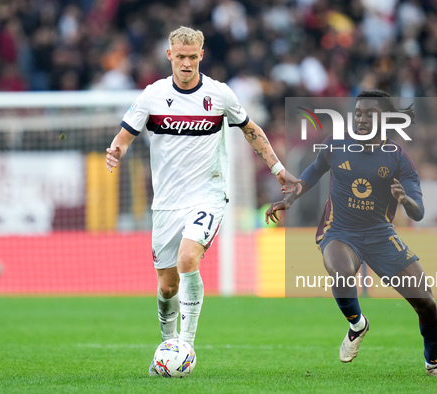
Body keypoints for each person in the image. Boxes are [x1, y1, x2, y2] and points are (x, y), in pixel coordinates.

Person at [105, 26, 296, 374]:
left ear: (201, 56)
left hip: (208, 195)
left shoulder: (220, 95)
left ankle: (186, 345)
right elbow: (124, 135)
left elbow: (252, 129)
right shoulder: (153, 95)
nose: (187, 63)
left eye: (193, 57)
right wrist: (116, 151)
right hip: (166, 203)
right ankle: (168, 343)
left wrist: (277, 168)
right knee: (166, 286)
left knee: (188, 259)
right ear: (169, 56)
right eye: (181, 56)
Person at [266, 89, 437, 377]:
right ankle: (357, 324)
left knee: (426, 303)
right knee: (341, 273)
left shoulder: (398, 158)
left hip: (380, 234)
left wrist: (405, 200)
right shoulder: (336, 145)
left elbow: (418, 212)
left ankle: (434, 363)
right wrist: (290, 198)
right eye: (358, 113)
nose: (362, 119)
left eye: (370, 114)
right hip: (339, 231)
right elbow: (314, 171)